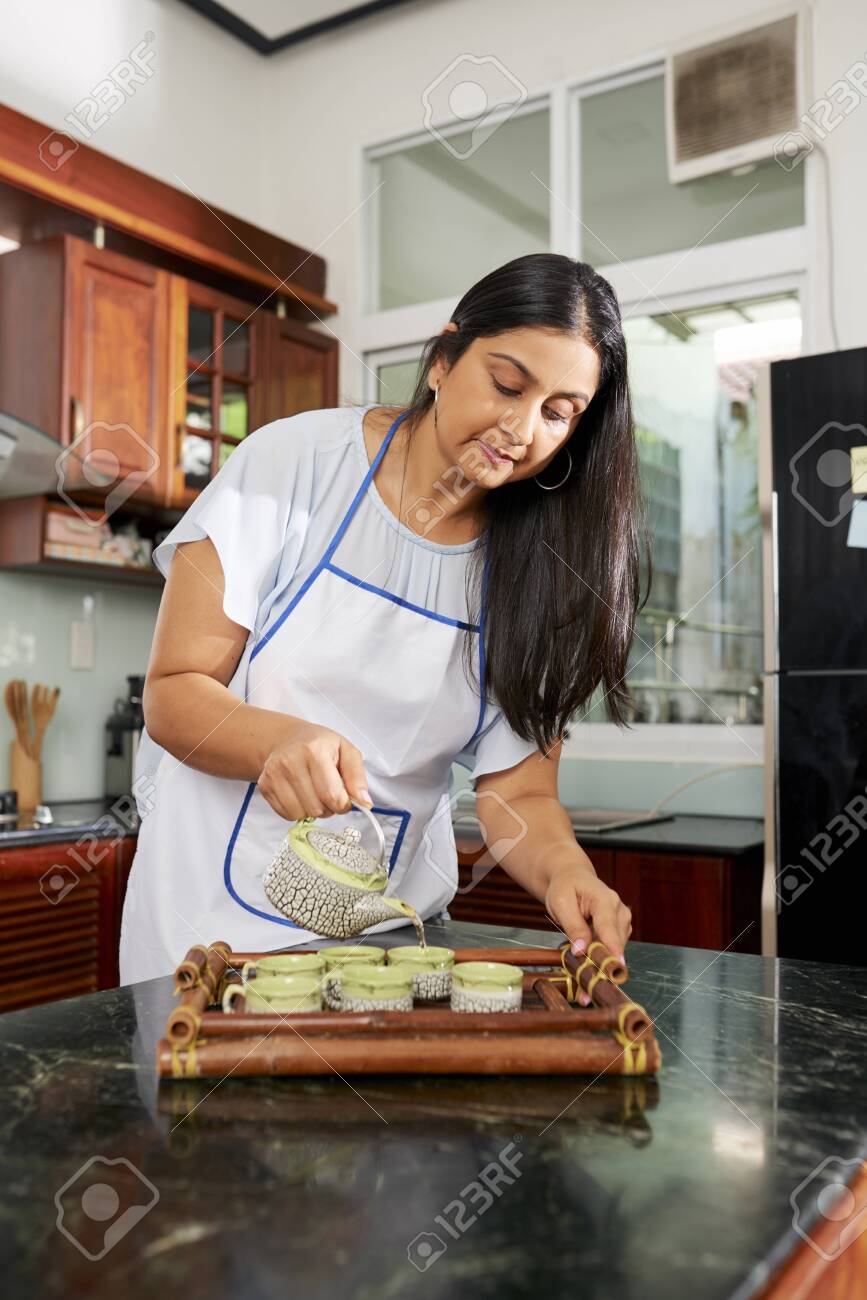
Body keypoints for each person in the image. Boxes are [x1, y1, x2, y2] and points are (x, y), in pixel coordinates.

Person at [118, 252, 648, 985]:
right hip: (202, 936)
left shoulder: (541, 570)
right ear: (441, 359)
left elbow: (517, 792)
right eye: (505, 383)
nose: (522, 428)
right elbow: (175, 692)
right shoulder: (293, 464)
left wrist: (565, 872)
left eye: (559, 412)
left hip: (384, 951)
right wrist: (277, 741)